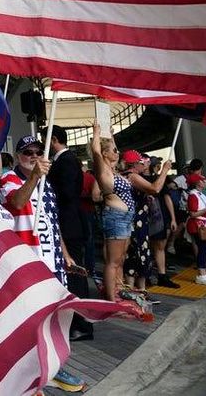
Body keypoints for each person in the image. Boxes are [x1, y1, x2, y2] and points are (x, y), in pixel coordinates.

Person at [0, 136, 84, 393]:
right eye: (27, 152)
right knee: (30, 322)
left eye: (37, 151)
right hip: (28, 263)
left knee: (56, 319)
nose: (34, 155)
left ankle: (54, 367)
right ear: (17, 156)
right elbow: (16, 203)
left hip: (53, 261)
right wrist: (34, 177)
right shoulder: (9, 179)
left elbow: (52, 222)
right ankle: (32, 377)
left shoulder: (47, 185)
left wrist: (65, 254)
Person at [44, 126, 93, 342]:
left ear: (53, 140)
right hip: (70, 223)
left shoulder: (66, 162)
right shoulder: (69, 161)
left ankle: (82, 324)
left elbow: (65, 193)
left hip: (69, 225)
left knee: (74, 274)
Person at [90, 122, 134, 302]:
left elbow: (111, 151)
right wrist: (96, 133)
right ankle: (111, 298)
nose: (117, 153)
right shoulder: (103, 170)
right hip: (115, 217)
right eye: (113, 150)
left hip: (124, 217)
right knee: (113, 261)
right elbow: (96, 151)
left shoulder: (112, 170)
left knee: (120, 258)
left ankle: (116, 288)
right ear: (105, 153)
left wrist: (111, 136)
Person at [120, 150, 170, 291]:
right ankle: (139, 289)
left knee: (131, 253)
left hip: (130, 219)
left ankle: (133, 287)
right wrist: (164, 171)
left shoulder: (123, 175)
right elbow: (155, 188)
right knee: (140, 252)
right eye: (143, 162)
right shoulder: (133, 176)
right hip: (137, 221)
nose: (146, 166)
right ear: (136, 164)